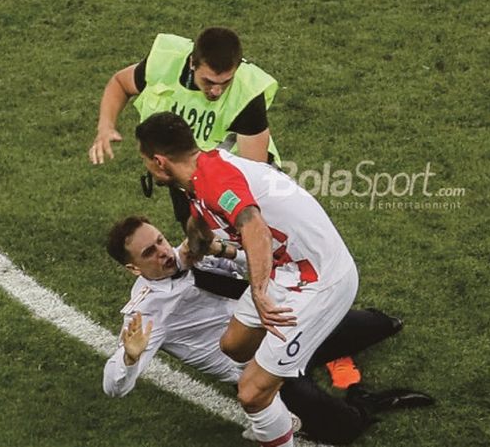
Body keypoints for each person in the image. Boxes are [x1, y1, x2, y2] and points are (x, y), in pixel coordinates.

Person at [133, 111, 368, 447]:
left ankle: (279, 418)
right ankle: (283, 397)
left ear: (159, 162)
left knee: (251, 392)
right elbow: (200, 213)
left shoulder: (215, 180)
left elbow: (253, 226)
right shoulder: (200, 172)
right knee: (234, 345)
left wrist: (258, 292)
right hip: (289, 268)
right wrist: (196, 241)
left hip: (321, 280)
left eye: (144, 160)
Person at [102, 216, 434, 444]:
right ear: (133, 268)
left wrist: (219, 250)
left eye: (159, 240)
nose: (164, 253)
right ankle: (365, 403)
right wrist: (130, 358)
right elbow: (114, 388)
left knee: (380, 324)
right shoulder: (147, 314)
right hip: (263, 368)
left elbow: (261, 262)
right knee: (344, 429)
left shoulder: (192, 253)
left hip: (287, 328)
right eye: (150, 253)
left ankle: (330, 363)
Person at [88, 26, 281, 231]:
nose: (216, 91)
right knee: (201, 247)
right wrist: (105, 127)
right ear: (192, 63)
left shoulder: (247, 93)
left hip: (238, 182)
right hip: (186, 178)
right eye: (208, 81)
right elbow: (121, 83)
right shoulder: (165, 63)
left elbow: (253, 177)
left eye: (225, 82)